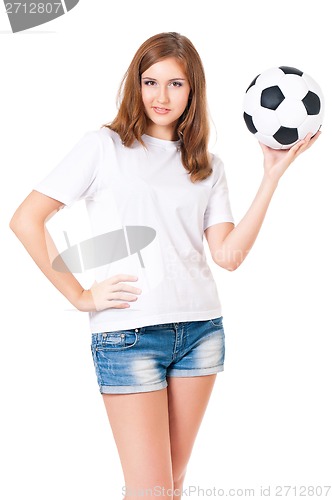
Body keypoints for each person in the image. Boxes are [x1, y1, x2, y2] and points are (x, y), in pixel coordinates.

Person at [9, 32, 320, 500]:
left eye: (175, 84)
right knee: (151, 490)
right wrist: (80, 295)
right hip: (129, 334)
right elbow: (26, 219)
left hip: (200, 332)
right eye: (150, 81)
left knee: (171, 486)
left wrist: (271, 177)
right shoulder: (104, 147)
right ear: (135, 83)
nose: (160, 95)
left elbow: (228, 256)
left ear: (193, 90)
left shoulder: (207, 166)